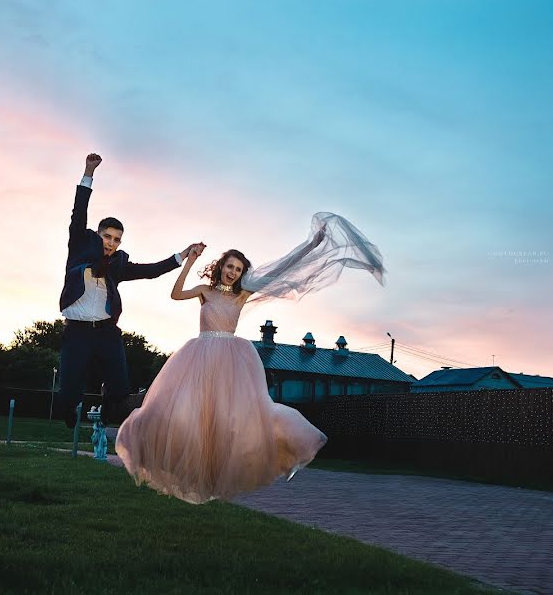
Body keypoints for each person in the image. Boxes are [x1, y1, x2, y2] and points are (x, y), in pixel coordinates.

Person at [115, 212, 386, 504]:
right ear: (221, 267)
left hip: (231, 361)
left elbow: (283, 271)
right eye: (229, 266)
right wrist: (189, 261)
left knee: (236, 418)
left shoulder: (241, 296)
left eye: (238, 269)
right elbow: (176, 294)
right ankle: (189, 470)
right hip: (198, 358)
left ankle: (278, 453)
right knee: (189, 415)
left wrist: (311, 245)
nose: (232, 272)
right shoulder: (205, 292)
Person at [55, 153, 202, 427]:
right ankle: (69, 409)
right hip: (76, 331)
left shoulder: (118, 265)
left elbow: (150, 270)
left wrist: (182, 255)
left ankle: (115, 410)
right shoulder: (78, 246)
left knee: (120, 390)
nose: (111, 243)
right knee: (67, 396)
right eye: (107, 237)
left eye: (117, 240)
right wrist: (89, 172)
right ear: (97, 235)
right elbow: (79, 210)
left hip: (107, 332)